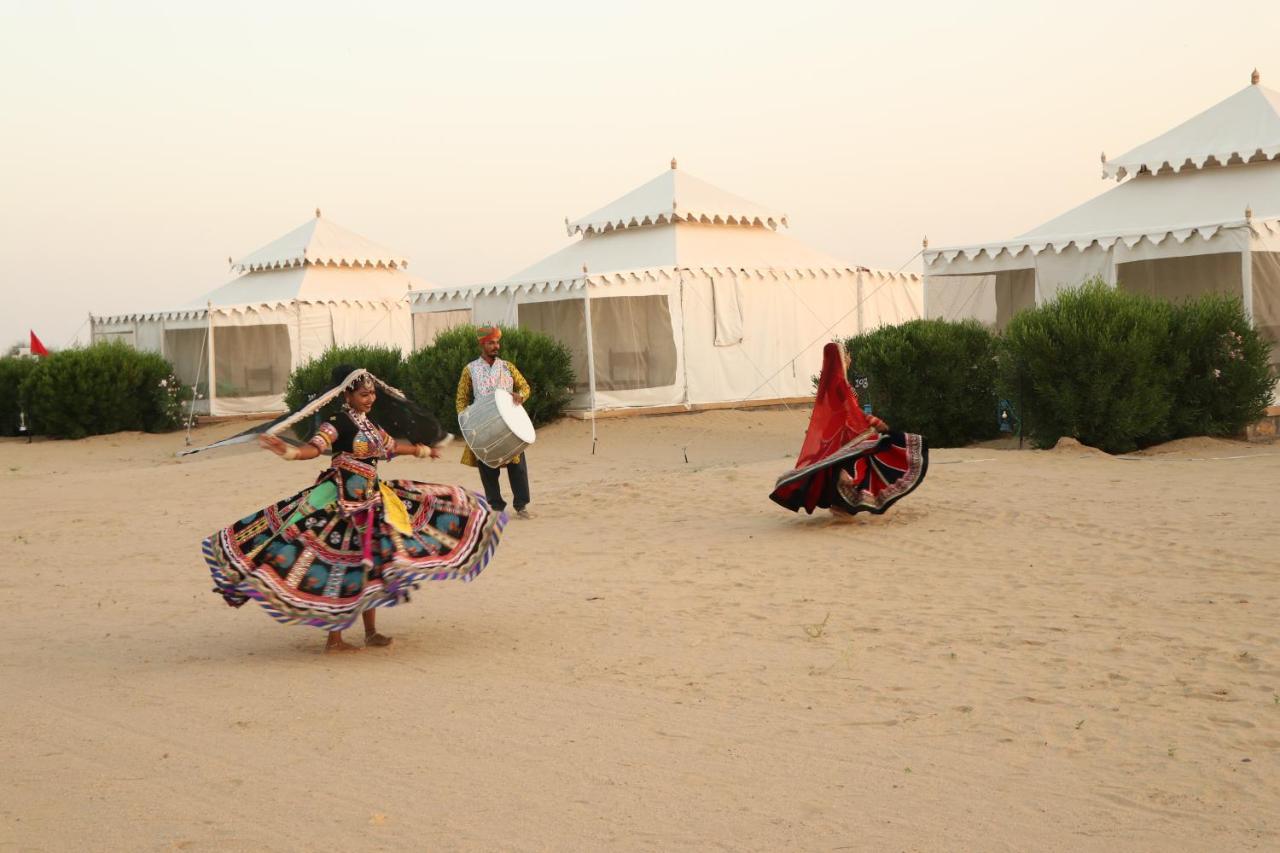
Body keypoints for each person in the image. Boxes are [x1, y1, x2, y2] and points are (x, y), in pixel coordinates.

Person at [201, 365, 507, 654]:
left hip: (373, 500)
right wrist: (291, 452)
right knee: (342, 568)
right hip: (341, 505)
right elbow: (315, 448)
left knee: (370, 566)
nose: (370, 398)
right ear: (347, 395)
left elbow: (389, 447)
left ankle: (371, 632)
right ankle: (334, 640)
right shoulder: (337, 423)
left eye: (372, 393)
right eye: (363, 394)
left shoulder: (369, 423)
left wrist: (422, 450)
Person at [769, 342, 928, 517]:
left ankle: (841, 503)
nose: (848, 356)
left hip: (839, 433)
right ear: (838, 357)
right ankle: (845, 503)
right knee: (875, 452)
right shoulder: (840, 382)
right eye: (844, 353)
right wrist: (873, 420)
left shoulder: (831, 380)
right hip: (848, 432)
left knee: (844, 466)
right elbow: (849, 409)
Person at [456, 325, 534, 519]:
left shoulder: (507, 367)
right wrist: (468, 421)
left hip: (509, 427)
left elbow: (525, 387)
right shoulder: (470, 370)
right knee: (488, 469)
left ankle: (521, 505)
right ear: (482, 344)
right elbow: (461, 399)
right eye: (491, 342)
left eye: (497, 342)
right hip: (483, 428)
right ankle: (496, 506)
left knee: (518, 467)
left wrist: (520, 396)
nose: (495, 346)